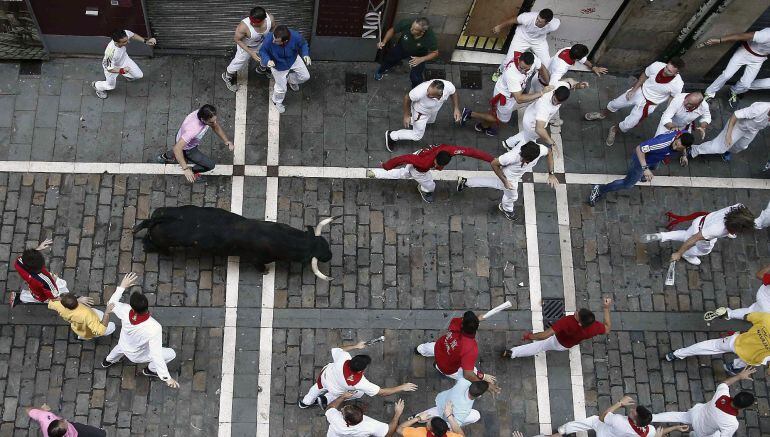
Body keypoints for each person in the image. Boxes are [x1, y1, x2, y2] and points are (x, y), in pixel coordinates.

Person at [101, 272, 179, 388]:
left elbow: (111, 304)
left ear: (132, 306)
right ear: (146, 306)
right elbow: (156, 354)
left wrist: (122, 286)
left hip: (123, 344)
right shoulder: (155, 327)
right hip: (139, 355)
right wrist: (166, 378)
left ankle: (107, 362)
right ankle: (150, 370)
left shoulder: (125, 310)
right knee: (171, 354)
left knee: (116, 351)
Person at [585, 58, 684, 146]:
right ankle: (602, 114)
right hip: (639, 91)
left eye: (669, 71)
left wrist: (668, 111)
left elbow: (673, 98)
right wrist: (633, 90)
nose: (665, 71)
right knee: (615, 103)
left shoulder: (678, 84)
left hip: (650, 104)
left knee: (629, 124)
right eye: (666, 67)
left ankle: (614, 129)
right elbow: (644, 75)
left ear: (676, 73)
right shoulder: (657, 65)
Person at [298, 341, 417, 409]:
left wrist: (356, 346)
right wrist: (402, 387)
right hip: (336, 389)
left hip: (324, 377)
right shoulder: (360, 382)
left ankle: (305, 403)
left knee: (315, 389)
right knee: (358, 393)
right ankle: (326, 399)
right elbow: (382, 392)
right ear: (361, 370)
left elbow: (339, 348)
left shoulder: (344, 358)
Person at [587, 131, 694, 206]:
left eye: (681, 145)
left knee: (655, 166)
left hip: (654, 158)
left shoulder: (683, 136)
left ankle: (642, 175)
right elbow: (640, 149)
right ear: (677, 137)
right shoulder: (661, 143)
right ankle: (599, 189)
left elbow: (683, 145)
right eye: (677, 142)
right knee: (627, 184)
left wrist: (684, 155)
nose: (677, 145)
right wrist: (645, 168)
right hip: (641, 160)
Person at [456, 141, 557, 221]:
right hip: (509, 176)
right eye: (522, 157)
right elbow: (494, 163)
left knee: (493, 183)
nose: (522, 160)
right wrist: (505, 181)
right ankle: (507, 209)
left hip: (516, 175)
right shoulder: (511, 156)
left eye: (525, 160)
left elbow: (549, 153)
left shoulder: (541, 150)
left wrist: (551, 174)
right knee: (512, 196)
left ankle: (465, 182)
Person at [460, 51, 551, 136]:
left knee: (496, 114)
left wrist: (548, 83)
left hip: (512, 91)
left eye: (526, 69)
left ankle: (484, 125)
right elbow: (519, 99)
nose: (523, 70)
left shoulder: (533, 60)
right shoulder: (512, 75)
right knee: (501, 119)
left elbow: (542, 68)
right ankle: (471, 114)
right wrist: (542, 92)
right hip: (506, 97)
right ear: (519, 60)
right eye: (521, 67)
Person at [366, 144, 494, 204]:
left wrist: (491, 159)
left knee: (403, 174)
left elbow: (471, 151)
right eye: (437, 165)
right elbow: (403, 159)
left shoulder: (450, 150)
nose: (439, 168)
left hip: (418, 154)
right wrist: (386, 165)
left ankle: (375, 173)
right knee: (430, 186)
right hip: (418, 170)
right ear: (435, 160)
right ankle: (423, 189)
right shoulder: (423, 163)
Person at [653, 367, 756, 437]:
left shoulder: (722, 395)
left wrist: (739, 376)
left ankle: (652, 417)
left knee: (676, 416)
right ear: (742, 408)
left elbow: (725, 383)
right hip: (702, 430)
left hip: (695, 413)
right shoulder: (732, 423)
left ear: (735, 397)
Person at [642, 203, 755, 266]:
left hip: (700, 221)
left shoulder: (738, 207)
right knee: (703, 250)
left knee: (687, 234)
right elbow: (694, 239)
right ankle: (687, 255)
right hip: (702, 233)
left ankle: (662, 236)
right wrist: (679, 253)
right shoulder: (717, 230)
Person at [502, 298, 612, 359]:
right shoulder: (595, 327)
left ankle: (513, 353)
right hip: (566, 345)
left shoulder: (567, 322)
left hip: (557, 341)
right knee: (540, 347)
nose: (576, 312)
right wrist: (606, 308)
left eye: (577, 314)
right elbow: (607, 328)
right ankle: (513, 353)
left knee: (538, 346)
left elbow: (545, 335)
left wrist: (530, 336)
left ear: (580, 323)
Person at [665, 312, 770, 375]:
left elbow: (747, 316)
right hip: (752, 357)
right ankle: (731, 367)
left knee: (710, 346)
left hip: (737, 342)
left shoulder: (767, 318)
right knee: (743, 362)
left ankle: (676, 354)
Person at [155, 104, 233, 183]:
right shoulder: (193, 130)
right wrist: (186, 169)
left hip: (181, 138)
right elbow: (177, 148)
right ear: (203, 119)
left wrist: (226, 140)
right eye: (211, 122)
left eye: (215, 120)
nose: (215, 123)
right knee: (210, 165)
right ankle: (192, 172)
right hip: (188, 148)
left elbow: (215, 126)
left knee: (178, 150)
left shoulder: (202, 112)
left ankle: (164, 157)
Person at [415, 311, 497, 383]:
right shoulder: (470, 348)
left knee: (426, 348)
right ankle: (437, 366)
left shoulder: (455, 322)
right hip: (447, 365)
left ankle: (419, 350)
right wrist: (482, 378)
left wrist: (476, 320)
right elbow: (468, 374)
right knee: (463, 370)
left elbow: (463, 321)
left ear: (462, 324)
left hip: (440, 346)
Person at [548, 395, 685, 437]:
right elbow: (659, 433)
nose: (632, 409)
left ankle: (562, 431)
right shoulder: (646, 431)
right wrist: (675, 428)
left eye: (633, 412)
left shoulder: (620, 421)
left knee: (593, 420)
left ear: (636, 420)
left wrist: (620, 403)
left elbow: (604, 416)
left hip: (605, 429)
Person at [499, 80, 576, 152]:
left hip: (530, 115)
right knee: (527, 139)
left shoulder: (560, 86)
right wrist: (552, 143)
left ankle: (508, 143)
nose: (555, 103)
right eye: (555, 100)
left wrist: (578, 85)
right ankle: (514, 148)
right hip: (532, 124)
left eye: (558, 103)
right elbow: (539, 129)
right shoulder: (544, 107)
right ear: (553, 92)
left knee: (526, 135)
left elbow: (569, 82)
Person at [702, 28, 770, 106]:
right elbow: (740, 36)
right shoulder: (767, 34)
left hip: (759, 59)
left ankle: (733, 92)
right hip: (745, 52)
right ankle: (708, 93)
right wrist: (719, 40)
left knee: (746, 84)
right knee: (727, 75)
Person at [386, 79, 461, 149]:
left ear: (440, 94)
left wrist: (456, 108)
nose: (427, 94)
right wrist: (406, 115)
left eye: (430, 95)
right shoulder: (419, 91)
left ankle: (415, 123)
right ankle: (392, 136)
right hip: (420, 114)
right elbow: (407, 98)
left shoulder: (448, 86)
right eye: (428, 91)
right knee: (417, 136)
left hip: (432, 111)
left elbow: (454, 93)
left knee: (431, 120)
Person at [492, 9, 560, 82]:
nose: (537, 21)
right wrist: (499, 27)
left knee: (547, 63)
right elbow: (513, 20)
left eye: (540, 21)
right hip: (522, 38)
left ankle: (542, 81)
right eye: (537, 18)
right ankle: (500, 72)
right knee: (509, 59)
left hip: (539, 41)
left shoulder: (554, 25)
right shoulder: (527, 17)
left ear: (547, 23)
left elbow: (559, 21)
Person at [688, 101, 770, 162]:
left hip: (752, 130)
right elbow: (735, 115)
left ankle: (727, 150)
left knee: (741, 146)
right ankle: (694, 150)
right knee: (719, 147)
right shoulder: (759, 109)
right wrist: (728, 134)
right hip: (738, 125)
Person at [221, 6, 276, 92]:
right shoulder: (243, 26)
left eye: (255, 22)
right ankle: (227, 76)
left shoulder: (270, 19)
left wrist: (270, 41)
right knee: (238, 63)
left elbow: (273, 30)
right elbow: (237, 39)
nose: (252, 23)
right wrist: (251, 53)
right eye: (251, 20)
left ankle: (262, 69)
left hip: (261, 44)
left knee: (268, 57)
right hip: (246, 47)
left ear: (263, 19)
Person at [90, 29, 155, 99]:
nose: (128, 42)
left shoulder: (124, 34)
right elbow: (109, 69)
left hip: (124, 60)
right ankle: (97, 86)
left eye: (127, 40)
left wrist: (146, 41)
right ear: (116, 42)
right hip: (112, 68)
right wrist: (122, 70)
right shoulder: (110, 53)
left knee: (139, 75)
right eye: (124, 42)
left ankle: (127, 75)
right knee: (111, 86)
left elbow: (132, 35)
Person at [259, 24, 311, 113]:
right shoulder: (269, 39)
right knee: (281, 88)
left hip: (293, 59)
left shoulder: (296, 36)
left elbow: (303, 44)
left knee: (305, 76)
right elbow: (262, 51)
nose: (273, 40)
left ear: (285, 41)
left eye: (276, 41)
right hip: (277, 65)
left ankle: (290, 80)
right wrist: (267, 61)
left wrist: (305, 54)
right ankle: (276, 101)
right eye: (274, 38)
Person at [375, 18, 439, 88]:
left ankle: (415, 89)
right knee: (389, 59)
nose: (411, 29)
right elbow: (392, 30)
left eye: (414, 29)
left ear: (422, 32)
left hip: (418, 55)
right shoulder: (406, 23)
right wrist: (384, 41)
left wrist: (421, 59)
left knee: (416, 76)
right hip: (402, 47)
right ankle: (380, 71)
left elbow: (435, 53)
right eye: (412, 26)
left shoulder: (430, 37)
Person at [10, 238, 68, 307]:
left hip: (34, 288)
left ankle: (18, 297)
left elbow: (25, 258)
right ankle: (19, 297)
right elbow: (53, 295)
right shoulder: (46, 281)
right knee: (62, 286)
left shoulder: (19, 262)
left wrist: (36, 250)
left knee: (35, 296)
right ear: (41, 266)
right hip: (42, 294)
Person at [417, 379, 498, 427]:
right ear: (479, 395)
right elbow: (455, 424)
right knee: (476, 415)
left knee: (430, 413)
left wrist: (485, 384)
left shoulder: (463, 382)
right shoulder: (464, 411)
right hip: (447, 418)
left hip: (441, 401)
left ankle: (417, 418)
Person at [706, 264, 770, 321]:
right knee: (756, 314)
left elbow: (759, 275)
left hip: (763, 297)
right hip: (766, 307)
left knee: (751, 311)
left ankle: (728, 313)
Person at [324, 392, 403, 437]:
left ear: (348, 421)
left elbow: (330, 408)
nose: (341, 409)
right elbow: (389, 433)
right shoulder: (369, 426)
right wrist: (397, 413)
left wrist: (342, 397)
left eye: (342, 412)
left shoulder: (335, 418)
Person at [48, 293, 116, 340]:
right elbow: (100, 330)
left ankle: (80, 336)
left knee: (82, 333)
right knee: (112, 326)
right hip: (90, 327)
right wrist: (106, 313)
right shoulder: (87, 314)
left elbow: (50, 303)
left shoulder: (59, 306)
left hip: (77, 327)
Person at [27, 403, 107, 436]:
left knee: (99, 434)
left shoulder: (45, 417)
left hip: (76, 430)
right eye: (65, 425)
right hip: (75, 433)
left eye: (61, 421)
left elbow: (29, 410)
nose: (65, 420)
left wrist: (41, 410)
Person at [396, 401, 464, 436]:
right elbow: (461, 435)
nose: (428, 420)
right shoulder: (451, 435)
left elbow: (399, 429)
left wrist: (418, 418)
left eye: (428, 422)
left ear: (429, 429)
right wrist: (449, 416)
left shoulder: (418, 434)